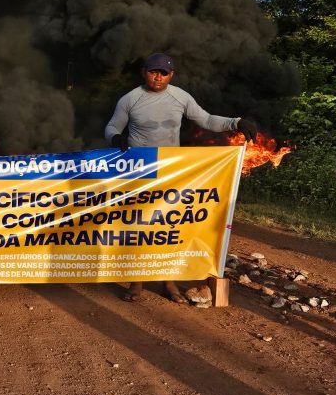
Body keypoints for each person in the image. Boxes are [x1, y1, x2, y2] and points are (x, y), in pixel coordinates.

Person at [105, 52, 256, 303]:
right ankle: (136, 283)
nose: (158, 76)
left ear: (171, 75)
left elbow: (206, 119)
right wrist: (116, 138)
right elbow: (112, 126)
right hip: (140, 172)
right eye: (154, 71)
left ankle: (169, 283)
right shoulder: (130, 99)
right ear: (145, 72)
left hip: (171, 171)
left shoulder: (181, 97)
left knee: (169, 228)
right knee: (140, 228)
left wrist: (236, 122)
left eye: (164, 73)